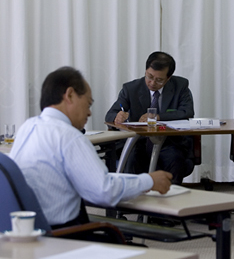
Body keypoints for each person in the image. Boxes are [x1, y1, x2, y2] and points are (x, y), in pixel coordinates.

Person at [10, 67, 172, 228]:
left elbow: (94, 181)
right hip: (64, 233)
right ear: (70, 95)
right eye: (88, 104)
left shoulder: (28, 127)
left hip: (29, 227)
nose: (89, 113)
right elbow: (104, 191)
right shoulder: (69, 136)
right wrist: (149, 181)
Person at [105, 52, 195, 184]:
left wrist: (157, 117)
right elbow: (110, 114)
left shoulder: (180, 86)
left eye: (159, 80)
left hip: (169, 142)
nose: (152, 83)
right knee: (133, 158)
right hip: (138, 142)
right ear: (145, 71)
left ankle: (171, 194)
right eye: (149, 76)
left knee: (175, 160)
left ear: (168, 78)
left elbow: (187, 112)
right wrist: (117, 116)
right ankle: (137, 194)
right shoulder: (131, 89)